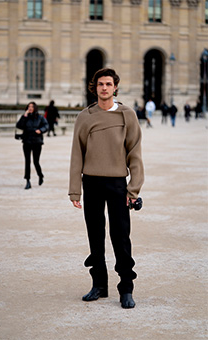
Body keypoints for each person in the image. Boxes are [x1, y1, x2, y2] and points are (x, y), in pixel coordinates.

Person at [69, 68, 144, 309]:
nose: (104, 88)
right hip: (91, 182)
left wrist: (134, 190)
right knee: (95, 234)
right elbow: (76, 155)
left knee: (121, 236)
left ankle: (126, 288)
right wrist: (74, 191)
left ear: (115, 87)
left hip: (117, 183)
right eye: (100, 84)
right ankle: (99, 285)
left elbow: (135, 154)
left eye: (108, 84)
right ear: (95, 87)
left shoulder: (127, 115)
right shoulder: (85, 117)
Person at [16, 101, 48, 190]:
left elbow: (46, 125)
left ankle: (40, 175)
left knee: (36, 161)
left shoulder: (40, 117)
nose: (30, 108)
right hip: (26, 141)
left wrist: (41, 130)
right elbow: (19, 126)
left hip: (37, 142)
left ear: (35, 108)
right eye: (29, 107)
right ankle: (27, 181)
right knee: (27, 161)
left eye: (32, 107)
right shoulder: (25, 117)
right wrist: (24, 116)